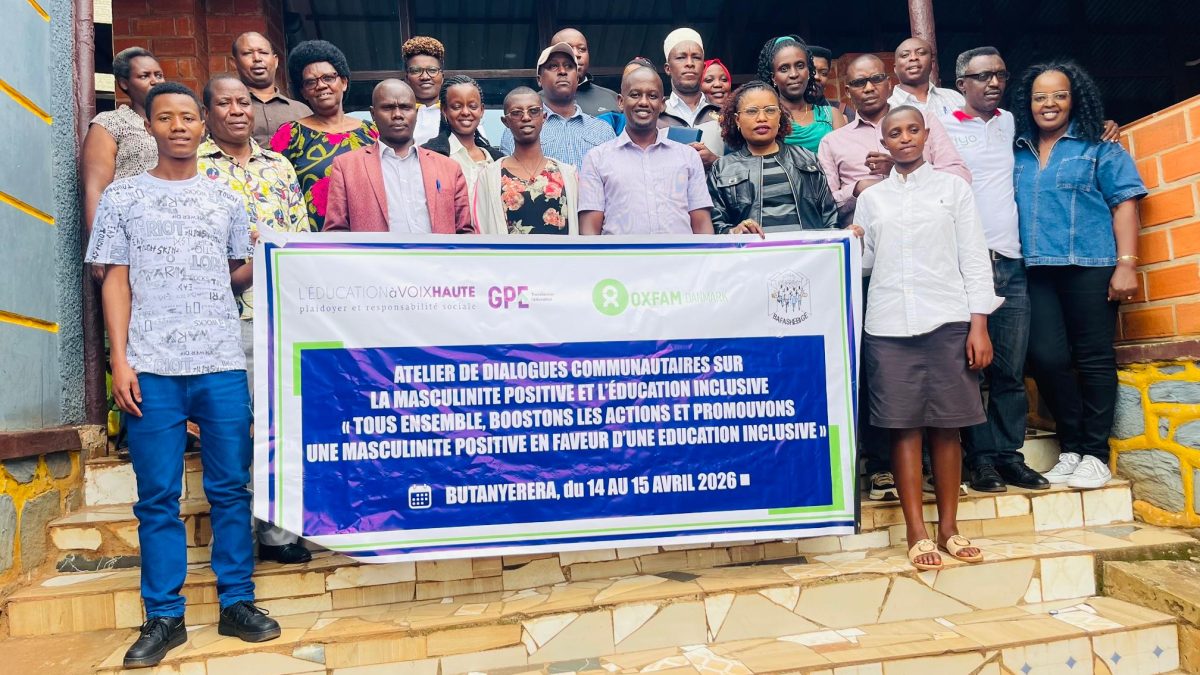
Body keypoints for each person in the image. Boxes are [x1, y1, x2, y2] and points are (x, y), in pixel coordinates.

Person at [87, 82, 280, 669]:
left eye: (188, 117)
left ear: (202, 126)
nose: (178, 126)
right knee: (157, 498)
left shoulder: (225, 199)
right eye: (165, 117)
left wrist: (269, 256)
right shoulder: (123, 197)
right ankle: (164, 616)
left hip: (220, 362)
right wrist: (120, 360)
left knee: (231, 489)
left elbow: (231, 275)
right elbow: (114, 279)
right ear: (149, 126)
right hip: (151, 367)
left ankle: (237, 602)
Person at [817, 53, 969, 502]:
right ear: (847, 92)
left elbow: (960, 178)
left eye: (875, 79)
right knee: (894, 401)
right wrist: (861, 193)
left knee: (947, 408)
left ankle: (947, 490)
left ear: (889, 83)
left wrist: (901, 172)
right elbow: (828, 202)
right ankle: (888, 476)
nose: (867, 87)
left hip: (940, 293)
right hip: (880, 287)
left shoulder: (934, 150)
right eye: (857, 82)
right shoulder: (836, 144)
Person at [857, 105, 1001, 571]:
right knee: (904, 428)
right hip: (888, 325)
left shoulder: (953, 190)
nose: (904, 138)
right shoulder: (872, 199)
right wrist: (849, 240)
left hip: (947, 319)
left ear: (926, 135)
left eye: (912, 130)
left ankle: (950, 529)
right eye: (894, 133)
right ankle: (917, 532)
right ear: (883, 143)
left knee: (948, 426)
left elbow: (974, 258)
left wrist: (979, 324)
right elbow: (866, 263)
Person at [1012, 61, 1147, 489]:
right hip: (1037, 267)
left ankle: (1094, 454)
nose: (1049, 104)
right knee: (1046, 358)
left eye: (1059, 95)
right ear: (1027, 103)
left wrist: (1127, 263)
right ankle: (1071, 446)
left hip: (1091, 263)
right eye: (1040, 97)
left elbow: (1125, 202)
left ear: (1075, 99)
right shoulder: (1017, 150)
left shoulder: (1100, 146)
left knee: (1093, 358)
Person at [197, 75, 315, 564]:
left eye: (243, 102)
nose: (236, 110)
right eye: (224, 103)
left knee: (282, 426)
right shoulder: (194, 168)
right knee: (232, 430)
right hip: (223, 318)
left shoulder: (279, 166)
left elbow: (301, 235)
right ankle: (236, 538)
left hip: (280, 317)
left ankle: (278, 534)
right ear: (207, 113)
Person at [940, 47, 1049, 493]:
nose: (994, 83)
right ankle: (980, 459)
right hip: (963, 263)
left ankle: (1009, 456)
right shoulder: (941, 125)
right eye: (983, 76)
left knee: (1009, 369)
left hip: (1010, 259)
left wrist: (1102, 126)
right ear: (960, 83)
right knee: (971, 369)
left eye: (1000, 74)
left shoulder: (1011, 123)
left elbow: (1057, 126)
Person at [325, 80, 474, 234]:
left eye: (405, 107)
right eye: (388, 107)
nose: (397, 115)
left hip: (440, 251)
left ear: (416, 113)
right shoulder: (346, 167)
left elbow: (465, 233)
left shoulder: (449, 168)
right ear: (373, 114)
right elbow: (336, 234)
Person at [579, 66, 713, 235]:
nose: (643, 102)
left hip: (680, 253)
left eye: (652, 96)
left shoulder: (688, 157)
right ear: (620, 102)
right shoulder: (597, 159)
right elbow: (590, 231)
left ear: (662, 105)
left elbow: (702, 226)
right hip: (620, 253)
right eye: (635, 95)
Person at [270, 39, 378, 232]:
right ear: (303, 92)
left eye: (328, 78)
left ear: (344, 82)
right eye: (311, 82)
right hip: (313, 241)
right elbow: (275, 192)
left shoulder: (372, 132)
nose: (321, 86)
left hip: (370, 236)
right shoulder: (290, 134)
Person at [708, 81, 837, 233]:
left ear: (779, 116)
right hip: (752, 248)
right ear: (737, 120)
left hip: (806, 248)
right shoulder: (722, 168)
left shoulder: (807, 159)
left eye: (770, 110)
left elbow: (830, 218)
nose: (762, 118)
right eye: (752, 111)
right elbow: (716, 224)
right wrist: (734, 231)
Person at [82, 47, 164, 259]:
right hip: (126, 236)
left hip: (169, 234)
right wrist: (101, 252)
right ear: (124, 83)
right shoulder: (110, 123)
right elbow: (96, 190)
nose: (154, 81)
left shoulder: (174, 124)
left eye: (158, 75)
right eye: (144, 76)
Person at [474, 87, 581, 235]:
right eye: (516, 113)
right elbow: (482, 233)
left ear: (544, 117)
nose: (526, 117)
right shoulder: (489, 176)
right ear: (505, 121)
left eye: (533, 111)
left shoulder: (568, 175)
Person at [499, 42, 616, 169]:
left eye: (569, 66)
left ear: (577, 78)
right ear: (539, 79)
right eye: (553, 66)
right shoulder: (517, 129)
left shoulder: (602, 130)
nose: (562, 71)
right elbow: (508, 176)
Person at [422, 75, 503, 205]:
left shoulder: (496, 159)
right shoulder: (429, 155)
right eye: (456, 106)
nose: (465, 112)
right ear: (444, 110)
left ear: (482, 110)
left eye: (473, 106)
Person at [758, 35, 846, 152]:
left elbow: (845, 160)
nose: (794, 74)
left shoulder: (832, 116)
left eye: (800, 66)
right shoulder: (763, 118)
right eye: (784, 68)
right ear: (773, 78)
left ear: (809, 71)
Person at [231, 31, 312, 145]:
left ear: (275, 61)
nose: (257, 58)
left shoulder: (302, 111)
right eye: (248, 53)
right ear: (234, 63)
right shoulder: (227, 110)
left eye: (263, 52)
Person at [888, 37, 965, 119]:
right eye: (905, 55)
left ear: (932, 63)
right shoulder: (888, 108)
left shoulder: (953, 97)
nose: (913, 58)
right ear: (895, 69)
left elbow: (967, 123)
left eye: (921, 53)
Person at [550, 27, 620, 116]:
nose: (576, 54)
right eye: (569, 48)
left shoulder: (612, 98)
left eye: (582, 49)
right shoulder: (537, 102)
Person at [402, 36, 446, 146]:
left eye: (432, 70)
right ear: (407, 78)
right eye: (416, 70)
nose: (425, 77)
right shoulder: (397, 116)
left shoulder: (453, 115)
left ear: (442, 77)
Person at [597, 57, 657, 134]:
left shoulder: (666, 126)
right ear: (621, 101)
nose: (643, 102)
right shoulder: (608, 122)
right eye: (627, 79)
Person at [809, 45, 855, 121]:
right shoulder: (787, 114)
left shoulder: (843, 112)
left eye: (824, 73)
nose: (816, 77)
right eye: (811, 71)